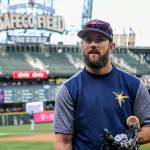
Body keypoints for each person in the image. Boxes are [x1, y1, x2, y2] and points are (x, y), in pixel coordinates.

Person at [54, 19, 150, 150]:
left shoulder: (134, 85)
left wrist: (129, 141)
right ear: (82, 45)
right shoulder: (68, 89)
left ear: (111, 47)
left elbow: (148, 127)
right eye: (88, 40)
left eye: (99, 39)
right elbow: (63, 143)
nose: (93, 44)